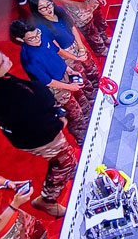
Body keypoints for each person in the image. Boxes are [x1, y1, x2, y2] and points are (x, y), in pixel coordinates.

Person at [0, 49, 76, 218]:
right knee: (64, 161)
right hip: (38, 137)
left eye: (1, 55)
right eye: (2, 61)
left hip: (26, 133)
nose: (7, 58)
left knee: (64, 158)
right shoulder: (6, 96)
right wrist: (57, 123)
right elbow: (33, 118)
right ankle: (47, 199)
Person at [10, 19, 91, 147]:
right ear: (20, 40)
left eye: (37, 34)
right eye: (32, 38)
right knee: (74, 114)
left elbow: (55, 54)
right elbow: (47, 82)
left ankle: (90, 118)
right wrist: (69, 86)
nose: (37, 39)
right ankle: (84, 139)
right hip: (56, 87)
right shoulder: (29, 59)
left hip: (64, 75)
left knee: (82, 102)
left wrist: (69, 71)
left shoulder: (42, 37)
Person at [27, 0, 99, 95]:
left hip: (75, 44)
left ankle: (100, 83)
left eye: (49, 4)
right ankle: (92, 94)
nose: (48, 9)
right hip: (66, 54)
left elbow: (72, 27)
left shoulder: (59, 11)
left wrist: (81, 48)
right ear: (36, 11)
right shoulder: (41, 27)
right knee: (80, 76)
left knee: (91, 66)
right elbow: (58, 50)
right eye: (43, 8)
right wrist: (77, 58)